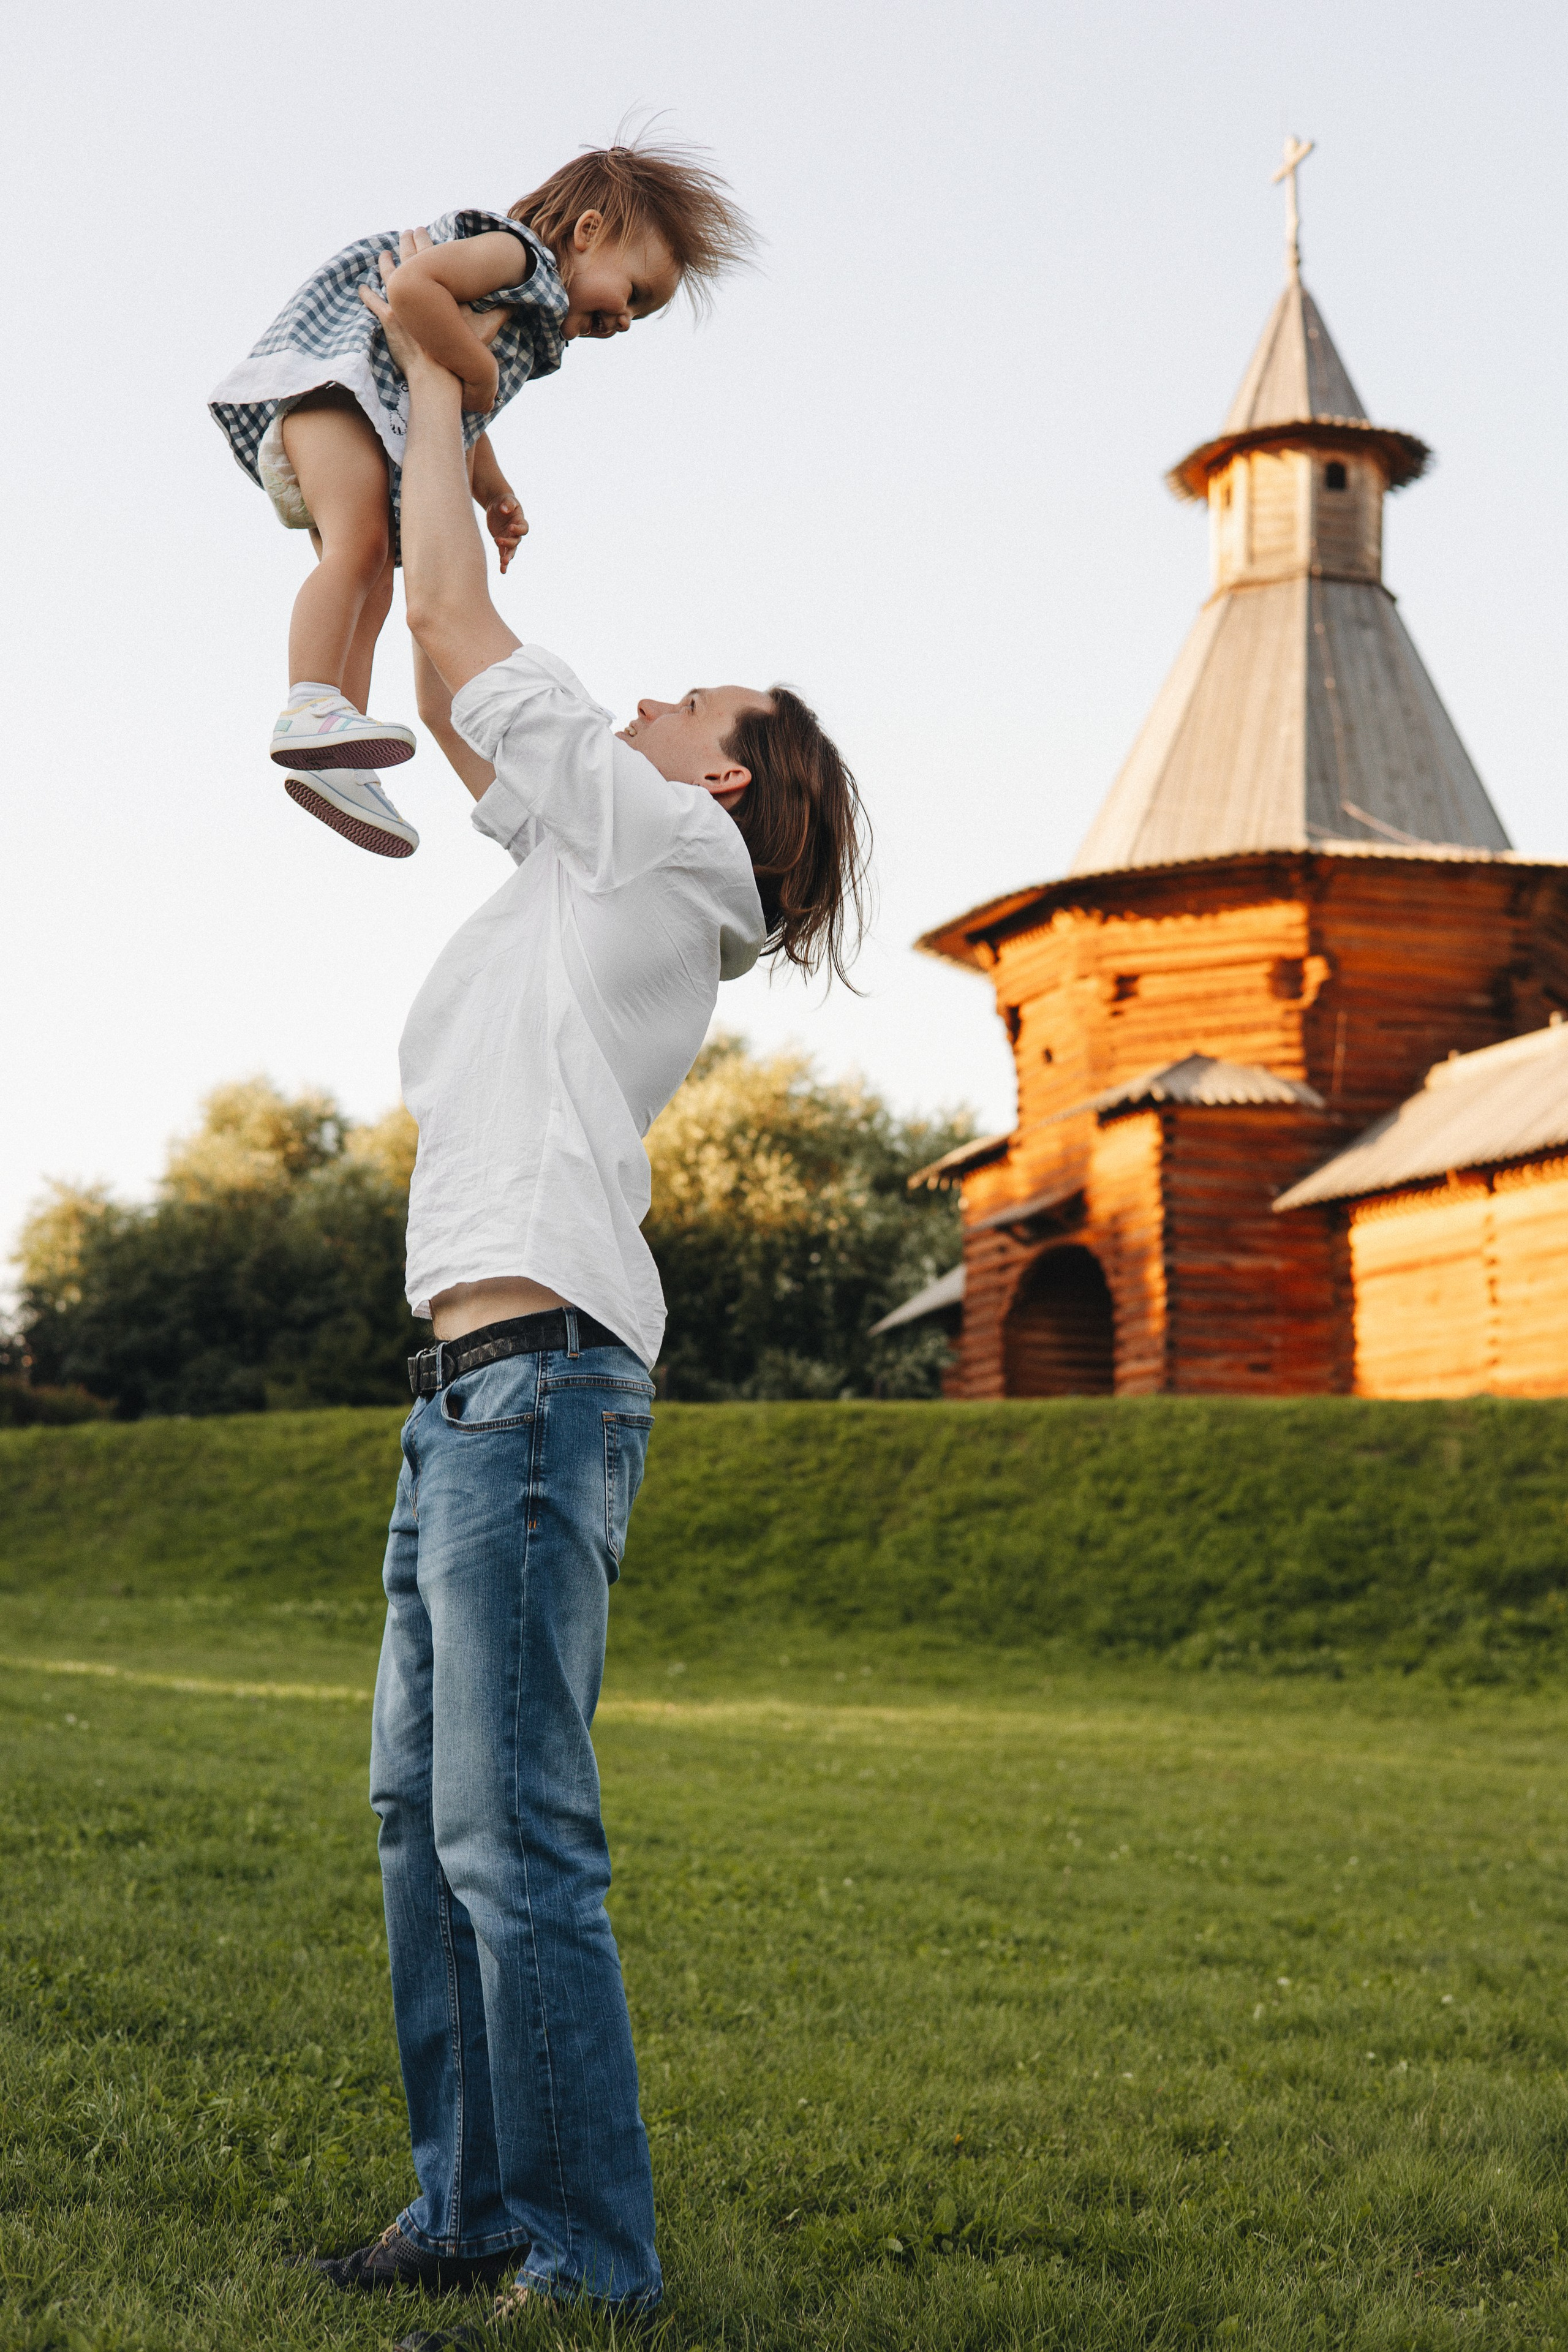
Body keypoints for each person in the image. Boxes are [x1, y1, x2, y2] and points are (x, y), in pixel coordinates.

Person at [299, 238, 867, 2343]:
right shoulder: (586, 851)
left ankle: (594, 2261)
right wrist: (443, 452)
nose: (641, 697)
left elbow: (456, 628)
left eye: (681, 702)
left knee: (513, 1837)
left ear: (722, 773)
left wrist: (440, 390)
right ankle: (464, 2212)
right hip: (466, 1396)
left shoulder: (672, 852)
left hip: (537, 1389)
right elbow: (456, 686)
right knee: (414, 1824)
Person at [208, 142, 752, 858]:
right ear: (587, 233)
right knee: (357, 551)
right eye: (635, 292)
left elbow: (465, 413)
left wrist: (491, 488)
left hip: (377, 415)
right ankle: (308, 700)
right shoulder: (518, 256)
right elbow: (413, 293)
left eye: (642, 315)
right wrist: (478, 371)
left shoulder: (527, 320)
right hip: (335, 389)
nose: (626, 320)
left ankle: (337, 745)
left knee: (372, 575)